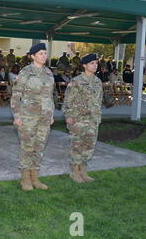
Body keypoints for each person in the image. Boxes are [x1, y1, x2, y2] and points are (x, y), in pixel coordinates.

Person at [10, 42, 55, 191]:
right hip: (28, 116)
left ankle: (35, 178)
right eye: (41, 53)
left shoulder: (49, 73)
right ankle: (25, 179)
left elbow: (50, 96)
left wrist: (51, 113)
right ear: (33, 56)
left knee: (39, 147)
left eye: (45, 53)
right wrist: (17, 115)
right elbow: (16, 94)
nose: (44, 56)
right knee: (27, 147)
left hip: (44, 117)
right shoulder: (25, 72)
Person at [62, 53, 103, 183]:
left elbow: (99, 100)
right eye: (92, 63)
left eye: (96, 63)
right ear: (84, 65)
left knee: (89, 147)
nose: (95, 65)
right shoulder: (77, 81)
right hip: (78, 119)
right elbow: (68, 100)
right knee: (77, 146)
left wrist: (97, 114)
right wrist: (68, 116)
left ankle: (83, 172)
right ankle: (74, 173)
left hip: (93, 120)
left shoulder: (97, 81)